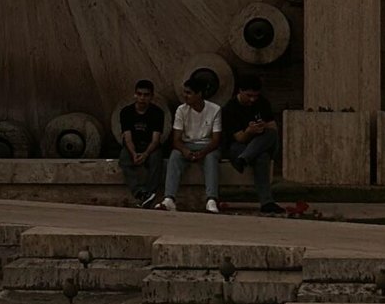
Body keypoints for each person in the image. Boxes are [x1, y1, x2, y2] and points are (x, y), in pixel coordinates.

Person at [219, 76, 282, 214]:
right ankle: (267, 202)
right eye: (249, 96)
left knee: (271, 134)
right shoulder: (230, 108)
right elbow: (239, 138)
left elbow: (273, 128)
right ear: (240, 91)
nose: (252, 99)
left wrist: (263, 126)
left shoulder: (262, 103)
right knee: (262, 157)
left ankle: (245, 158)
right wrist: (249, 131)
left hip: (261, 142)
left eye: (255, 96)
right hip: (239, 146)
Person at [160, 75, 223, 214]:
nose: (185, 96)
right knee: (175, 156)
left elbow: (215, 140)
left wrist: (203, 152)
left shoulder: (215, 109)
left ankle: (211, 199)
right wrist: (184, 151)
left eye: (189, 93)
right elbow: (176, 139)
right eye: (184, 92)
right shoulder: (181, 110)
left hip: (207, 146)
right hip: (187, 144)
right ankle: (169, 198)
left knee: (211, 158)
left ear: (199, 94)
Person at [117, 80, 167, 205]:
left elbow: (155, 139)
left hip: (150, 146)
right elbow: (127, 137)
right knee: (124, 158)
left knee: (156, 159)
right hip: (133, 145)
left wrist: (145, 154)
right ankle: (139, 192)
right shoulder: (126, 112)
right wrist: (134, 153)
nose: (142, 98)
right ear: (135, 95)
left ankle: (150, 193)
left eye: (146, 95)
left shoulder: (157, 113)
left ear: (151, 96)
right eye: (139, 94)